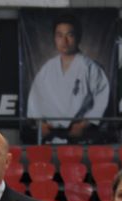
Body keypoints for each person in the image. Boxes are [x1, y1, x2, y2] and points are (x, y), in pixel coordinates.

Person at [26, 13, 110, 144]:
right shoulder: (47, 68)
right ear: (54, 38)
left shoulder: (90, 67)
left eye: (69, 35)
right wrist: (40, 124)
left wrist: (84, 124)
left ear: (78, 37)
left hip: (80, 137)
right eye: (59, 36)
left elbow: (102, 98)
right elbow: (35, 99)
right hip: (52, 137)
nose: (64, 41)